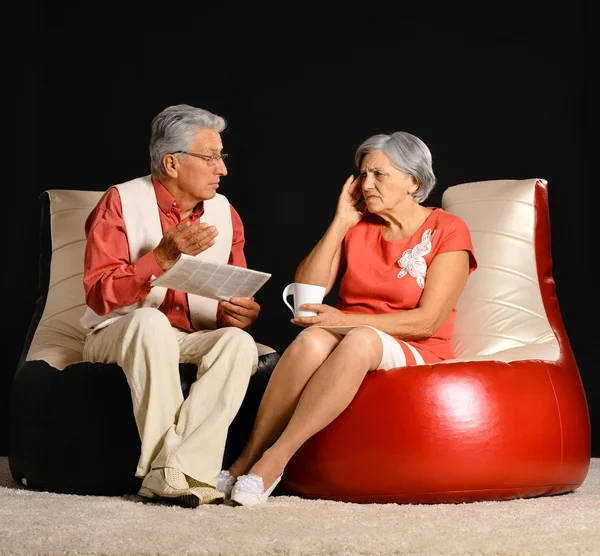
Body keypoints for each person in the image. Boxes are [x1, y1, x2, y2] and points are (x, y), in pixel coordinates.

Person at [218, 131, 478, 506]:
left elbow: (428, 322)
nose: (365, 184)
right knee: (309, 341)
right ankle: (247, 457)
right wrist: (341, 221)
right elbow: (308, 291)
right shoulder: (358, 225)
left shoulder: (448, 230)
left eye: (379, 174)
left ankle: (276, 460)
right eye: (361, 174)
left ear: (414, 182)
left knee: (360, 340)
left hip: (416, 344)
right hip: (350, 330)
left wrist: (344, 321)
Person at [80, 104, 262, 508]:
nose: (223, 169)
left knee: (237, 343)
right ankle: (173, 471)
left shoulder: (225, 213)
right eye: (211, 157)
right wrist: (159, 259)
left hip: (188, 335)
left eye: (222, 157)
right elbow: (98, 295)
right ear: (171, 163)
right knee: (149, 322)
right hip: (116, 332)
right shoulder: (119, 202)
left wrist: (237, 313)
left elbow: (232, 292)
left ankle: (176, 471)